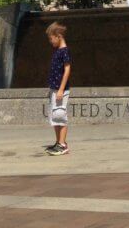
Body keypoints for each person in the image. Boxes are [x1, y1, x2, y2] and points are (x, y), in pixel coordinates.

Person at [45, 21, 71, 156]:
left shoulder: (64, 51)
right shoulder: (57, 50)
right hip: (54, 88)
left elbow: (67, 70)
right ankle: (58, 142)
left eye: (51, 38)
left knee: (60, 115)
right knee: (54, 116)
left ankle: (63, 145)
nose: (50, 41)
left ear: (58, 36)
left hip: (61, 89)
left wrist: (61, 89)